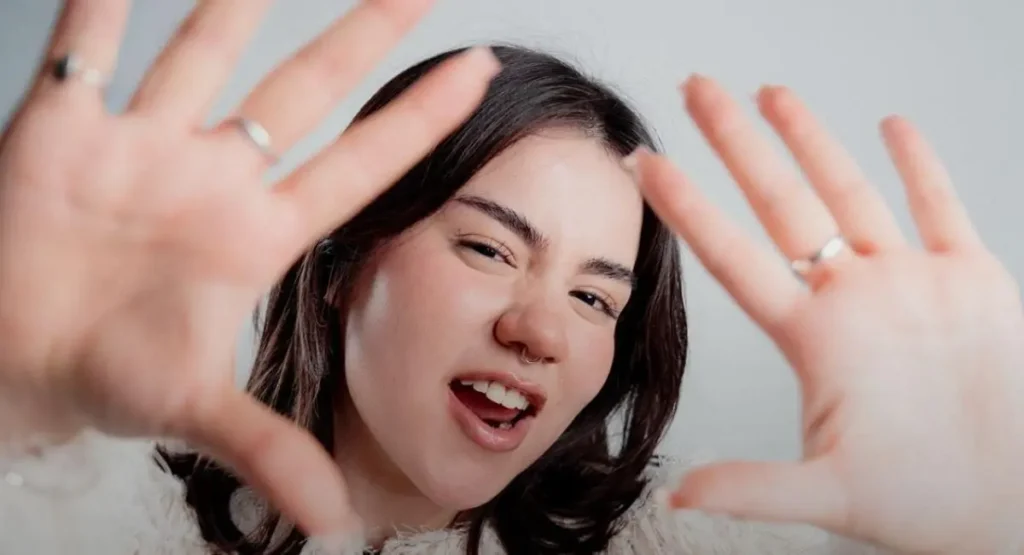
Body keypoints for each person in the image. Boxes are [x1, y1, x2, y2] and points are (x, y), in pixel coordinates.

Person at [1, 2, 1022, 554]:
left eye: (595, 297)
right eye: (489, 249)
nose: (540, 332)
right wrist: (17, 396)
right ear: (343, 263)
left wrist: (984, 532)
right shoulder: (85, 522)